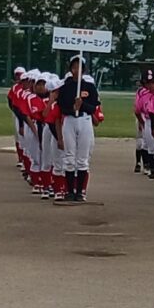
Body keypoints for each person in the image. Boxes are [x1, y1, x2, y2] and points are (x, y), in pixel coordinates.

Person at [55, 55, 99, 202]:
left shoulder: (89, 87)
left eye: (79, 67)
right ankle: (69, 191)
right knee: (69, 158)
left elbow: (94, 106)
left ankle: (80, 192)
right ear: (71, 69)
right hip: (69, 121)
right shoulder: (66, 87)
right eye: (74, 67)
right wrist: (72, 108)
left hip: (84, 120)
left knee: (82, 159)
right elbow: (61, 106)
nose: (76, 70)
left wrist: (82, 106)